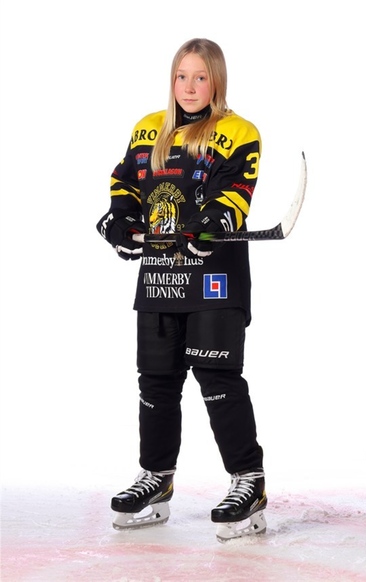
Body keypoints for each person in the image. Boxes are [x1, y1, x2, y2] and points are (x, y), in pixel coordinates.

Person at [96, 38, 266, 542]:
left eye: (200, 77)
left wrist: (210, 221)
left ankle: (249, 482)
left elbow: (234, 194)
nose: (189, 87)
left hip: (215, 277)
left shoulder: (238, 132)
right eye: (181, 76)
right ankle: (157, 477)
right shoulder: (148, 128)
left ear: (217, 80)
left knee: (217, 377)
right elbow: (126, 183)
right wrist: (122, 220)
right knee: (156, 380)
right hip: (160, 273)